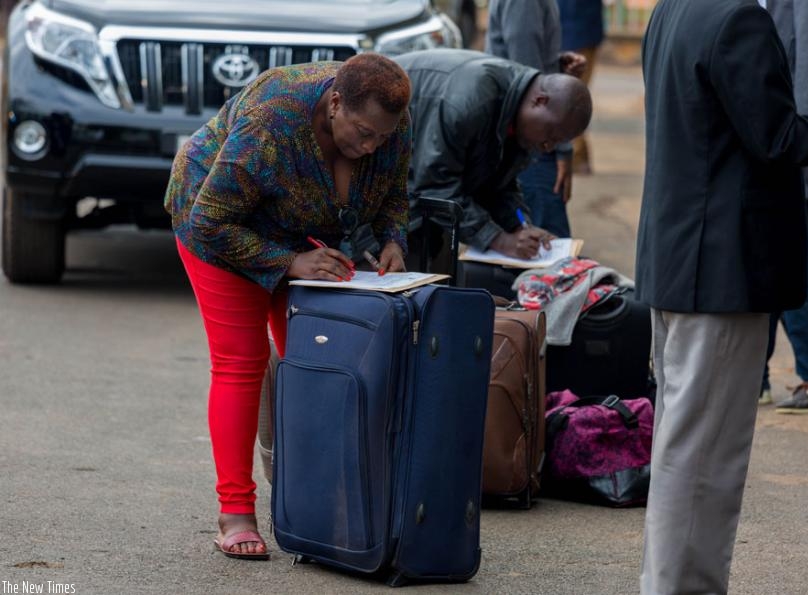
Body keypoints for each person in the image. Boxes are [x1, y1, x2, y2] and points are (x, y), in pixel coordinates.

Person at [163, 53, 412, 560]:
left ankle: (312, 503)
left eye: (380, 138)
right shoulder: (272, 119)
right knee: (241, 362)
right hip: (217, 226)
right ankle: (235, 513)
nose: (370, 147)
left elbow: (394, 194)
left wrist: (392, 239)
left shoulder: (390, 120)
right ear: (335, 103)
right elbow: (212, 219)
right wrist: (289, 262)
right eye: (362, 133)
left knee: (319, 358)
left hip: (297, 230)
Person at [638, 0, 808, 593]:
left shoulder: (674, 9)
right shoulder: (739, 18)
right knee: (703, 461)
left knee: (683, 447)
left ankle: (670, 581)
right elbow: (776, 137)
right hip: (720, 266)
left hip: (684, 257)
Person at [393, 49, 592, 261]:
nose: (548, 147)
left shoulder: (521, 111)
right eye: (551, 135)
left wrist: (519, 226)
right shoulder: (468, 103)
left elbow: (497, 185)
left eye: (558, 142)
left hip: (413, 180)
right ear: (540, 101)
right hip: (375, 171)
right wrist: (500, 240)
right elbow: (434, 188)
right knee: (407, 264)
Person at [758, 0, 808, 413]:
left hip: (795, 147)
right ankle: (755, 376)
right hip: (769, 143)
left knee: (805, 263)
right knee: (761, 260)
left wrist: (799, 145)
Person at [485, 0, 587, 238]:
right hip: (533, 145)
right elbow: (530, 84)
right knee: (549, 253)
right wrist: (561, 146)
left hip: (533, 139)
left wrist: (556, 64)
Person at [557, 0, 605, 175]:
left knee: (571, 97)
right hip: (576, 29)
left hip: (576, 31)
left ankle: (576, 155)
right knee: (570, 97)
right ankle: (578, 154)